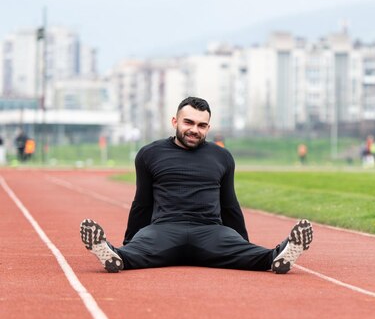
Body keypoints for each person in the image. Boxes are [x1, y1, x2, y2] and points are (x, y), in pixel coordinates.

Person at [80, 96, 313, 274]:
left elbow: (229, 204)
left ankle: (280, 254)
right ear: (175, 121)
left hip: (210, 231)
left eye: (202, 125)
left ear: (208, 128)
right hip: (164, 229)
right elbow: (142, 202)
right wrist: (131, 241)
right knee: (134, 253)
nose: (194, 129)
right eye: (188, 122)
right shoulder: (149, 154)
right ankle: (115, 255)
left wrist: (241, 242)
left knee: (254, 256)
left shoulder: (222, 157)